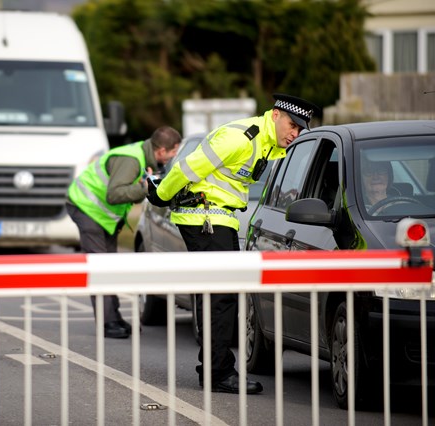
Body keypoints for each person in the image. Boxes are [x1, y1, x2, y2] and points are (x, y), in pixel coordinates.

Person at [147, 94, 318, 394]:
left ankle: (214, 369)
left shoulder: (266, 143)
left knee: (217, 295)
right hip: (205, 218)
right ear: (276, 115)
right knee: (223, 296)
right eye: (292, 125)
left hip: (215, 218)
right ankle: (219, 372)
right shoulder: (240, 138)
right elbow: (188, 168)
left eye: (300, 129)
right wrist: (160, 195)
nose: (295, 133)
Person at [66, 126, 182, 338]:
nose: (175, 156)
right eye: (175, 151)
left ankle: (114, 317)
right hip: (85, 207)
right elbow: (115, 195)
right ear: (163, 150)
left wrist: (142, 185)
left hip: (102, 215)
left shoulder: (142, 155)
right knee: (100, 266)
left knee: (109, 265)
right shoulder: (131, 160)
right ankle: (107, 322)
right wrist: (146, 187)